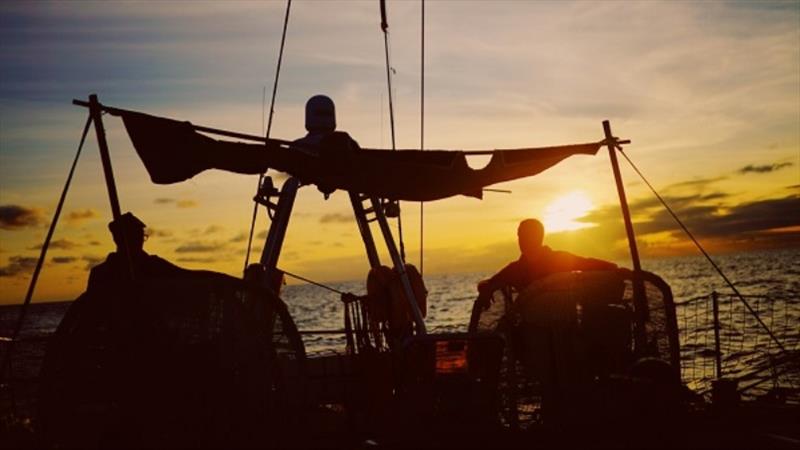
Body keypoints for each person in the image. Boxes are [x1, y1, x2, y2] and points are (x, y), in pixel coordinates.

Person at [476, 218, 617, 309]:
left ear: (539, 237)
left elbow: (588, 264)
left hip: (565, 329)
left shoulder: (558, 260)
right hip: (533, 335)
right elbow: (490, 284)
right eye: (520, 235)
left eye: (526, 235)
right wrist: (484, 290)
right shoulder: (514, 270)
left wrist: (614, 269)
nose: (521, 239)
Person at [87, 212, 182, 290]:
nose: (140, 241)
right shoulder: (101, 273)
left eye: (142, 236)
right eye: (135, 236)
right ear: (118, 239)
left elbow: (185, 276)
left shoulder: (156, 265)